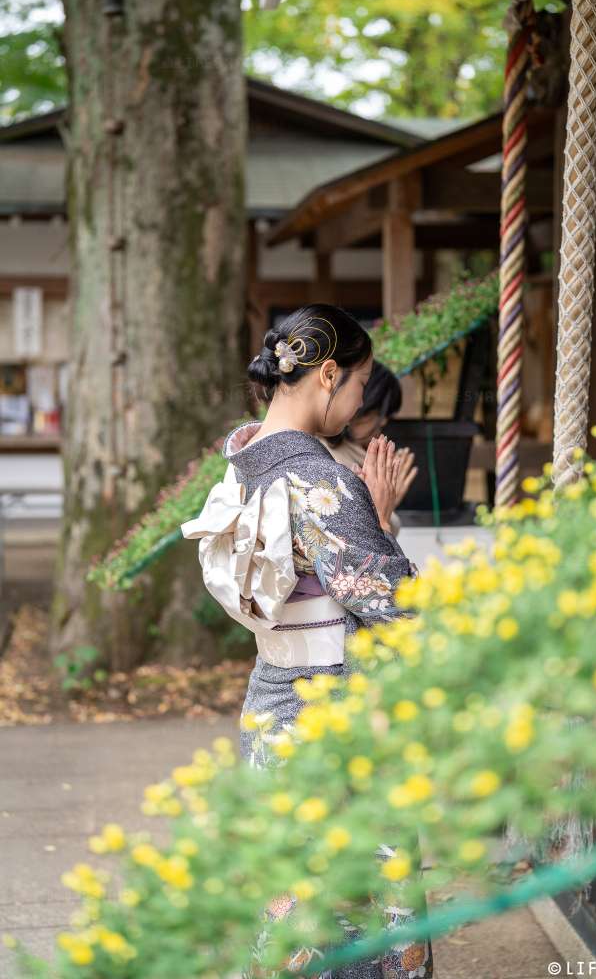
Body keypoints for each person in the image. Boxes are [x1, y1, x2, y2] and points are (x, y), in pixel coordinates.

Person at [182, 303, 433, 979]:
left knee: (290, 910)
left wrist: (369, 524)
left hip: (271, 706)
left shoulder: (243, 456)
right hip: (335, 724)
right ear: (327, 374)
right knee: (360, 916)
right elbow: (397, 610)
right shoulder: (320, 481)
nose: (357, 403)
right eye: (357, 385)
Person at [321, 360, 418, 537]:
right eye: (380, 413)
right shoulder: (333, 461)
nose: (383, 422)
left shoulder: (351, 454)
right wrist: (382, 507)